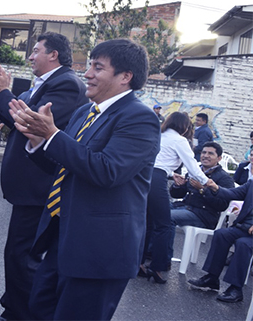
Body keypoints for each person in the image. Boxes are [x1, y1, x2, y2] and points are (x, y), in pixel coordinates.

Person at [11, 38, 160, 320]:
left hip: (99, 251)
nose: (87, 74)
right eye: (90, 65)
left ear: (125, 77)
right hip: (64, 237)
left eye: (98, 67)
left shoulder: (139, 118)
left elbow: (107, 171)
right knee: (39, 309)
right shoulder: (85, 112)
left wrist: (53, 136)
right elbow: (66, 167)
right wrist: (39, 142)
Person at [0, 31, 87, 321]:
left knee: (24, 256)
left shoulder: (66, 83)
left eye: (36, 50)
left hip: (40, 185)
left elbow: (28, 121)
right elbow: (15, 114)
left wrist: (3, 92)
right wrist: (4, 96)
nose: (30, 56)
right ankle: (13, 308)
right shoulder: (44, 83)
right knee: (16, 253)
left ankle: (22, 314)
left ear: (53, 54)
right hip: (27, 186)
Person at [139, 114, 219, 284]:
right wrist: (209, 183)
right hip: (156, 179)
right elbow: (193, 168)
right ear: (184, 126)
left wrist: (170, 173)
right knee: (164, 224)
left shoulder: (158, 134)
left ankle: (138, 263)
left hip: (142, 177)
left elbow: (156, 161)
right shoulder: (179, 140)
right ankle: (157, 267)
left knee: (147, 222)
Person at [188, 179, 253, 303]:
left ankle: (236, 289)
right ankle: (212, 278)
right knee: (221, 234)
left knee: (243, 244)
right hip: (244, 227)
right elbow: (232, 193)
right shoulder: (251, 184)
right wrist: (215, 187)